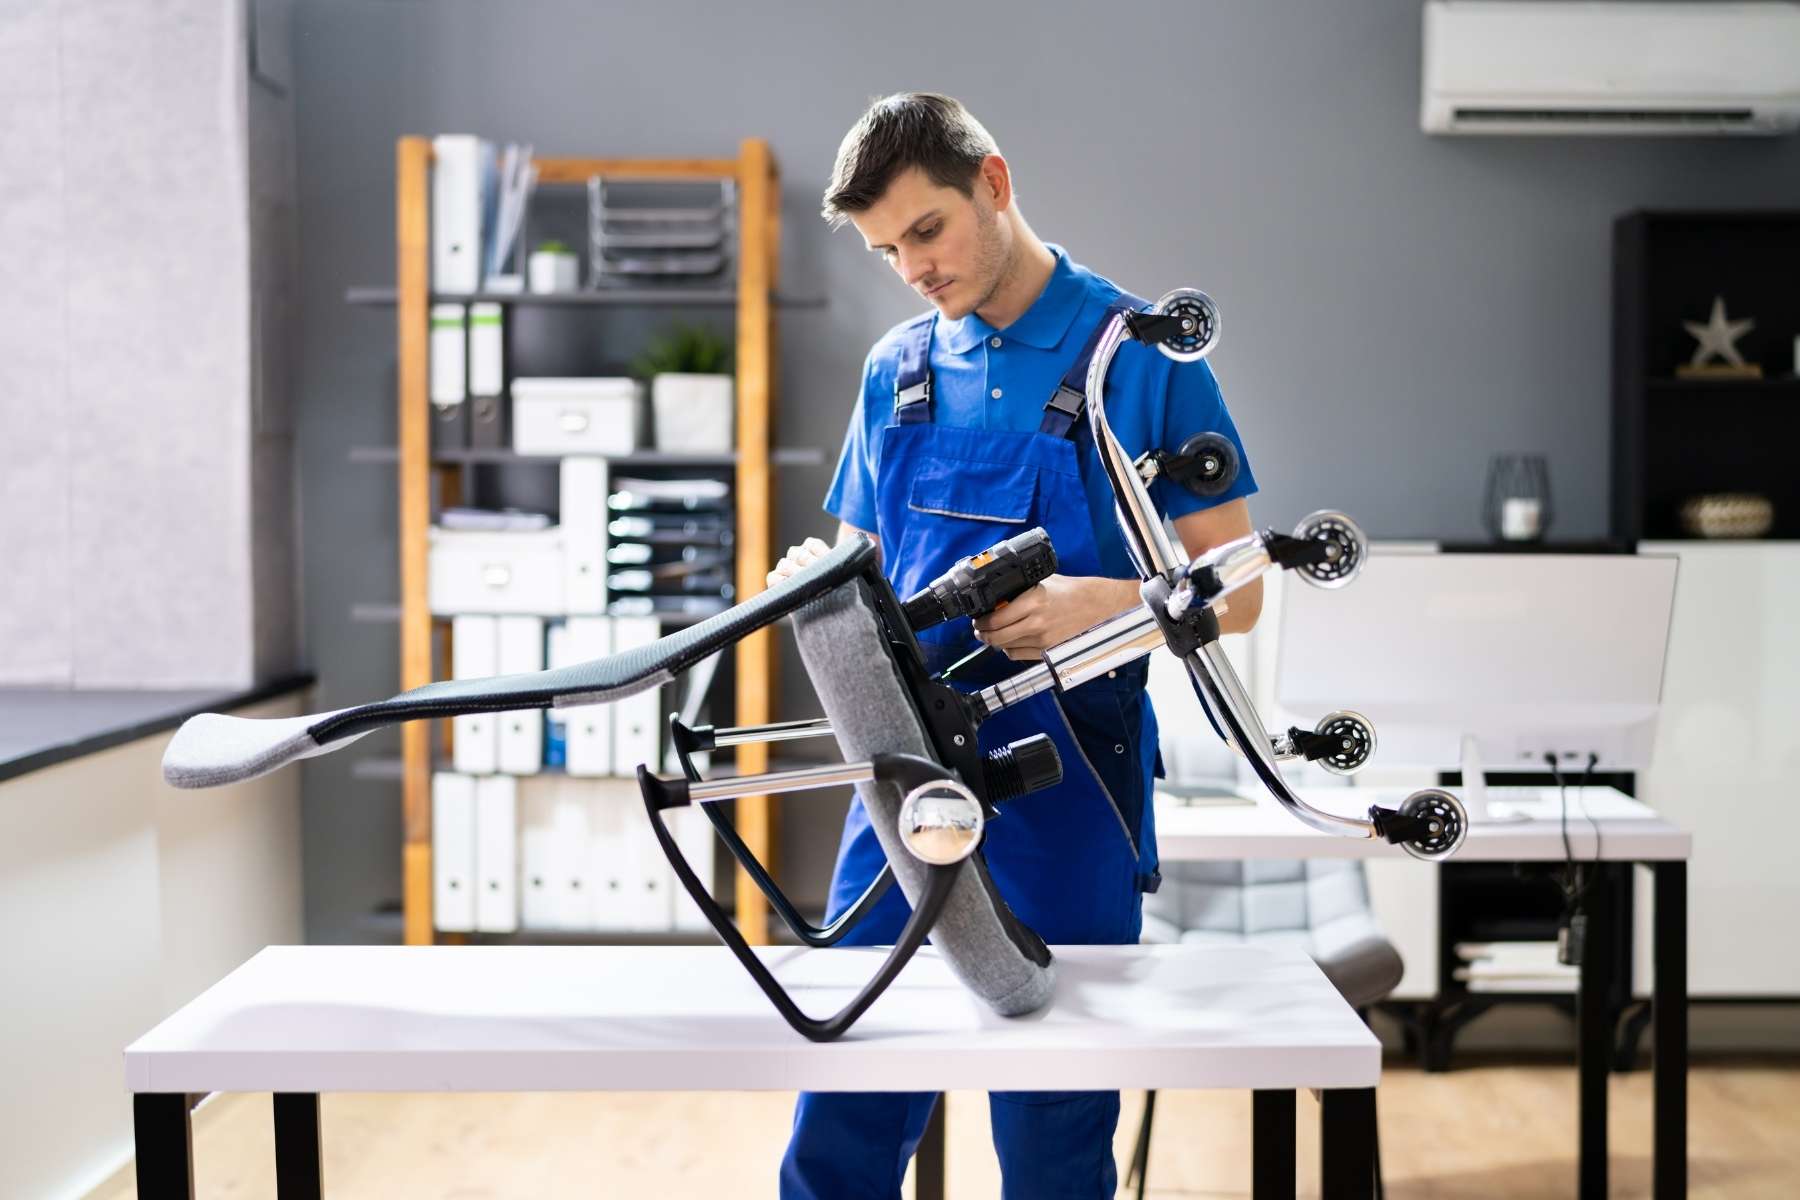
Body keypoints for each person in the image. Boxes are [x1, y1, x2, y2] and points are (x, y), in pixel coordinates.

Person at [767, 92, 1262, 1200]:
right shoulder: (894, 369)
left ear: (993, 181)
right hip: (901, 782)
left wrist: (1102, 601)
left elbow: (1241, 589)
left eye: (927, 231)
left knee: (1052, 1137)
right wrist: (813, 589)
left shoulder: (1138, 358)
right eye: (888, 249)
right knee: (842, 1113)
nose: (913, 270)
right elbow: (860, 573)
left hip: (1071, 782)